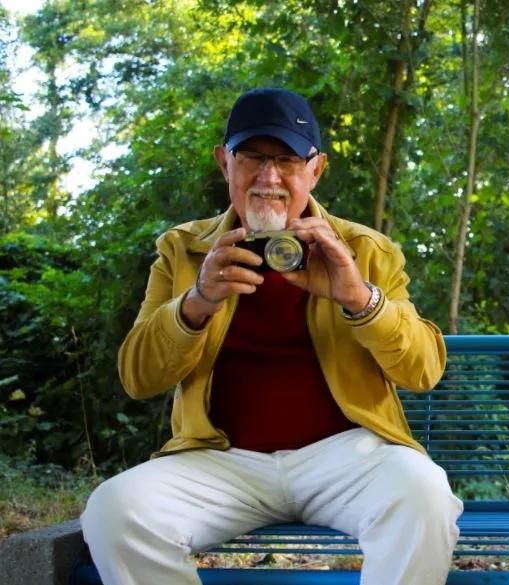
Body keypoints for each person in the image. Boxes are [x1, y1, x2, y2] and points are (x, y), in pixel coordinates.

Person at [81, 87, 463, 585]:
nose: (268, 178)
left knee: (424, 495)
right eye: (253, 158)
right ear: (225, 163)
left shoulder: (366, 250)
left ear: (316, 170)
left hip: (346, 456)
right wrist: (197, 301)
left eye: (286, 159)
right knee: (114, 510)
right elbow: (138, 376)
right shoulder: (184, 249)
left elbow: (424, 370)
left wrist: (358, 298)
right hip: (221, 461)